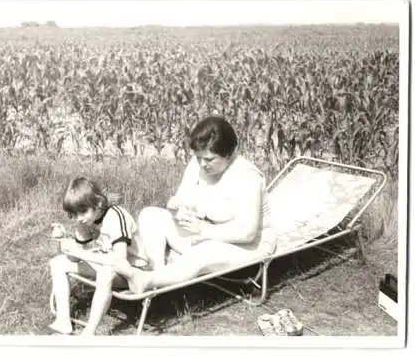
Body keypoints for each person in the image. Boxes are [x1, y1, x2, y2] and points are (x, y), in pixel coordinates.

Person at [113, 115, 277, 294]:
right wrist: (176, 208)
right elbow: (181, 199)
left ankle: (149, 280)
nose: (202, 164)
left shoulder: (247, 176)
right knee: (150, 215)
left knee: (204, 251)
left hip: (246, 247)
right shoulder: (197, 164)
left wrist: (202, 231)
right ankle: (157, 273)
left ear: (229, 154)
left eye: (209, 159)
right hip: (204, 232)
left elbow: (247, 233)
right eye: (199, 158)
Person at [47, 177, 145, 336]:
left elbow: (119, 260)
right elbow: (74, 258)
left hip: (133, 271)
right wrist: (65, 242)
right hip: (108, 263)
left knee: (106, 273)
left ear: (97, 203)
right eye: (74, 214)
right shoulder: (85, 221)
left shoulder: (116, 216)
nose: (79, 218)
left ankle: (89, 332)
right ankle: (63, 321)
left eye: (83, 212)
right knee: (57, 263)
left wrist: (82, 253)